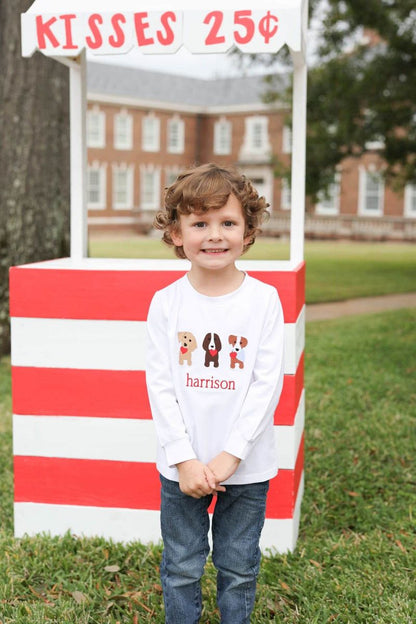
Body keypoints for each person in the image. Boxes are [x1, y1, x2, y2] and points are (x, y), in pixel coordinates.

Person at [146, 163, 285, 623]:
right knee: (182, 565)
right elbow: (161, 385)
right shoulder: (167, 303)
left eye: (227, 222)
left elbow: (266, 386)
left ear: (248, 232)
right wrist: (184, 458)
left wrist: (233, 454)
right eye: (199, 223)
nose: (214, 235)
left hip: (245, 467)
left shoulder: (264, 300)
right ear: (175, 233)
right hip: (181, 466)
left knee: (238, 565)